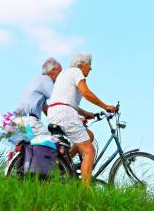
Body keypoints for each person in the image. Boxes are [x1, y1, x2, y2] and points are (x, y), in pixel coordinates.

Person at [47, 52, 117, 185]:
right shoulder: (76, 71)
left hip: (56, 112)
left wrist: (85, 113)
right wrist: (105, 106)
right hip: (65, 113)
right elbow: (86, 93)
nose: (91, 68)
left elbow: (66, 100)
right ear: (81, 64)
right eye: (89, 64)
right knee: (89, 152)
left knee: (89, 135)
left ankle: (65, 165)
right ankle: (85, 193)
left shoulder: (65, 74)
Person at [15, 58, 62, 137]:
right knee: (55, 143)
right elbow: (60, 99)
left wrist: (58, 121)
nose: (61, 75)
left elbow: (46, 108)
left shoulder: (36, 80)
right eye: (60, 71)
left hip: (19, 122)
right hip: (30, 122)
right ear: (53, 70)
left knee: (32, 147)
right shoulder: (46, 80)